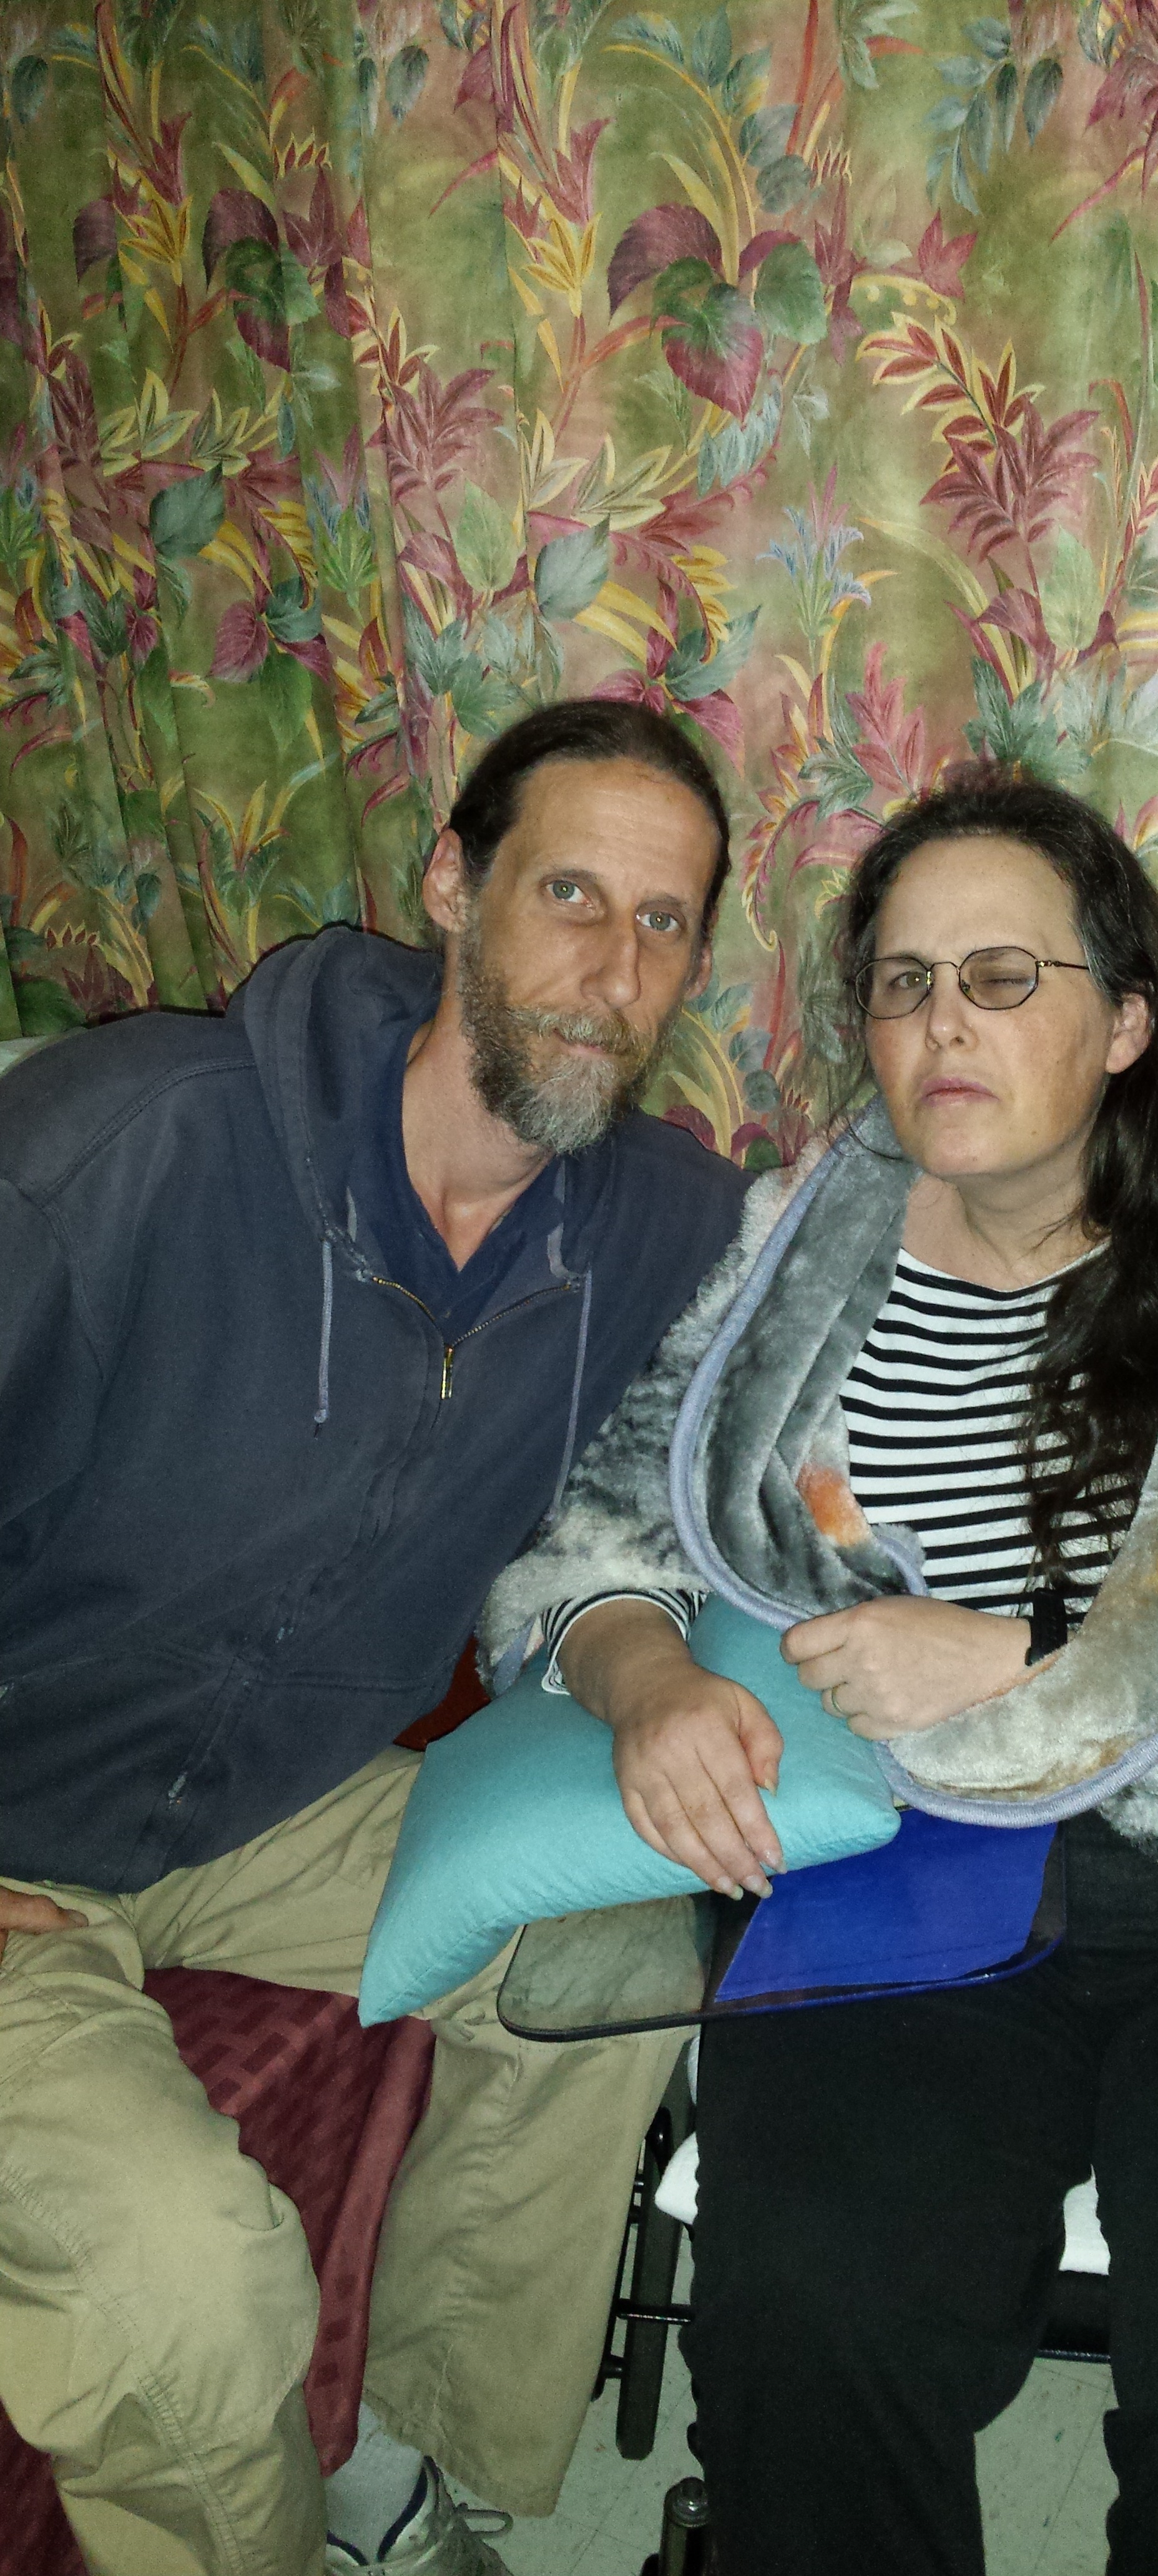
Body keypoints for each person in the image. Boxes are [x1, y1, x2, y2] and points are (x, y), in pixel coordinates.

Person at [483, 766, 1158, 2576]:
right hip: (908, 1867)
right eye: (903, 982)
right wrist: (639, 1677)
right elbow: (599, 1532)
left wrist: (1027, 1655)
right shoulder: (797, 1256)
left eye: (1004, 978)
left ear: (1124, 1022)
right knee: (809, 2326)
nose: (943, 1024)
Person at [0, 699, 750, 2576]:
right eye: (568, 894)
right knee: (192, 2286)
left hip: (262, 1805)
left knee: (602, 1942)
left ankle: (401, 2472)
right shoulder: (134, 1149)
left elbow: (801, 1378)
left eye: (664, 924)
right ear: (451, 886)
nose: (612, 970)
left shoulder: (655, 1224)